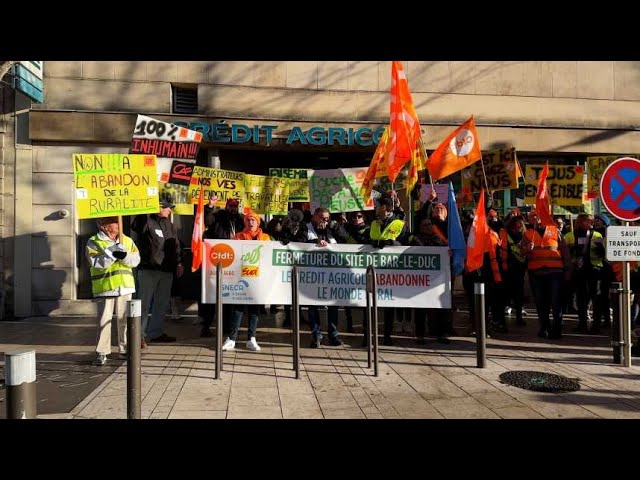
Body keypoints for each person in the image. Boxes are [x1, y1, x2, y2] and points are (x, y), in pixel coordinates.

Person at [86, 216, 140, 366]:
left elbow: (135, 260)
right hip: (105, 287)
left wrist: (124, 257)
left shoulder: (127, 240)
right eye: (113, 222)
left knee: (125, 320)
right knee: (104, 320)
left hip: (125, 287)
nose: (117, 224)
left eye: (118, 221)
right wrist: (112, 254)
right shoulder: (94, 241)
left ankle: (125, 349)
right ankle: (102, 352)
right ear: (104, 226)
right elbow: (95, 263)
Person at [131, 199, 183, 344]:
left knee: (162, 303)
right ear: (158, 207)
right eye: (167, 208)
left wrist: (179, 262)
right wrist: (145, 206)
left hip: (167, 270)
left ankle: (155, 332)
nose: (169, 211)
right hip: (149, 269)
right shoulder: (147, 220)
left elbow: (176, 244)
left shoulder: (169, 224)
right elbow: (137, 226)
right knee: (144, 303)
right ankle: (139, 335)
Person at [221, 209, 271, 352]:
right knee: (238, 309)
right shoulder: (238, 237)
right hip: (241, 279)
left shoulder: (266, 238)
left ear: (258, 222)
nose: (250, 222)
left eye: (253, 220)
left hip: (258, 279)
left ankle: (251, 338)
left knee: (254, 310)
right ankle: (231, 339)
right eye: (248, 220)